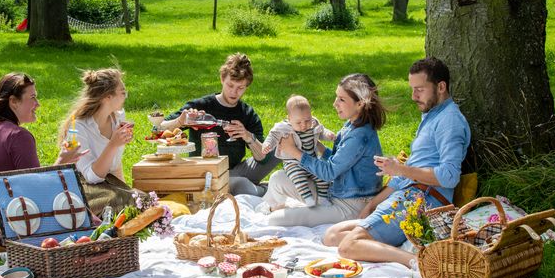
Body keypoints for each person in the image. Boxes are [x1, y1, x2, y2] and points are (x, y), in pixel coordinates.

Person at [323, 57, 471, 269]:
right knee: (332, 235)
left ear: (441, 87)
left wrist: (400, 168)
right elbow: (406, 174)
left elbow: (449, 176)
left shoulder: (449, 121)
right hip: (407, 194)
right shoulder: (432, 115)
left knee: (347, 246)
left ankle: (419, 261)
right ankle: (403, 244)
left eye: (419, 89)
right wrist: (372, 205)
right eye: (412, 89)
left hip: (422, 200)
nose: (413, 96)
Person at [0, 73, 86, 247]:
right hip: (2, 234)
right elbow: (37, 192)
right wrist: (62, 162)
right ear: (13, 102)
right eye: (32, 98)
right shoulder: (18, 137)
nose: (38, 104)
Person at [260, 74, 386, 227]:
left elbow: (329, 172)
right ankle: (275, 206)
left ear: (359, 104)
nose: (335, 104)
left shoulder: (360, 136)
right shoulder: (351, 124)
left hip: (350, 205)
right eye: (336, 97)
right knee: (278, 178)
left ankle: (284, 210)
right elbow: (336, 160)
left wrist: (293, 151)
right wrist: (315, 144)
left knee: (275, 220)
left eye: (341, 99)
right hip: (336, 191)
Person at [161, 53, 280, 196]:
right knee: (242, 185)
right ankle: (267, 190)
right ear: (222, 79)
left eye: (240, 88)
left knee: (280, 146)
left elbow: (263, 159)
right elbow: (158, 128)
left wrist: (248, 136)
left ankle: (245, 186)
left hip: (236, 170)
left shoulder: (247, 113)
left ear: (246, 87)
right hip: (206, 173)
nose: (234, 92)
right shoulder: (201, 106)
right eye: (230, 85)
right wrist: (180, 121)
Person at [60, 68, 134, 215]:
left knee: (143, 202)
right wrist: (113, 144)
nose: (125, 96)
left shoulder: (117, 117)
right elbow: (92, 177)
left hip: (109, 186)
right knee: (126, 207)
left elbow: (115, 167)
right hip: (84, 189)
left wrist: (127, 189)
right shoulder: (79, 127)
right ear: (107, 97)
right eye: (122, 92)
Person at [261, 95, 336, 207]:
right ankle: (307, 198)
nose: (304, 125)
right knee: (297, 177)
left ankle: (322, 198)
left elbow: (321, 131)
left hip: (311, 160)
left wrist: (328, 135)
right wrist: (267, 144)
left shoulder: (313, 123)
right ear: (289, 118)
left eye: (307, 120)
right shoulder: (284, 127)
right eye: (299, 122)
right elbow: (273, 135)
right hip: (293, 163)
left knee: (323, 177)